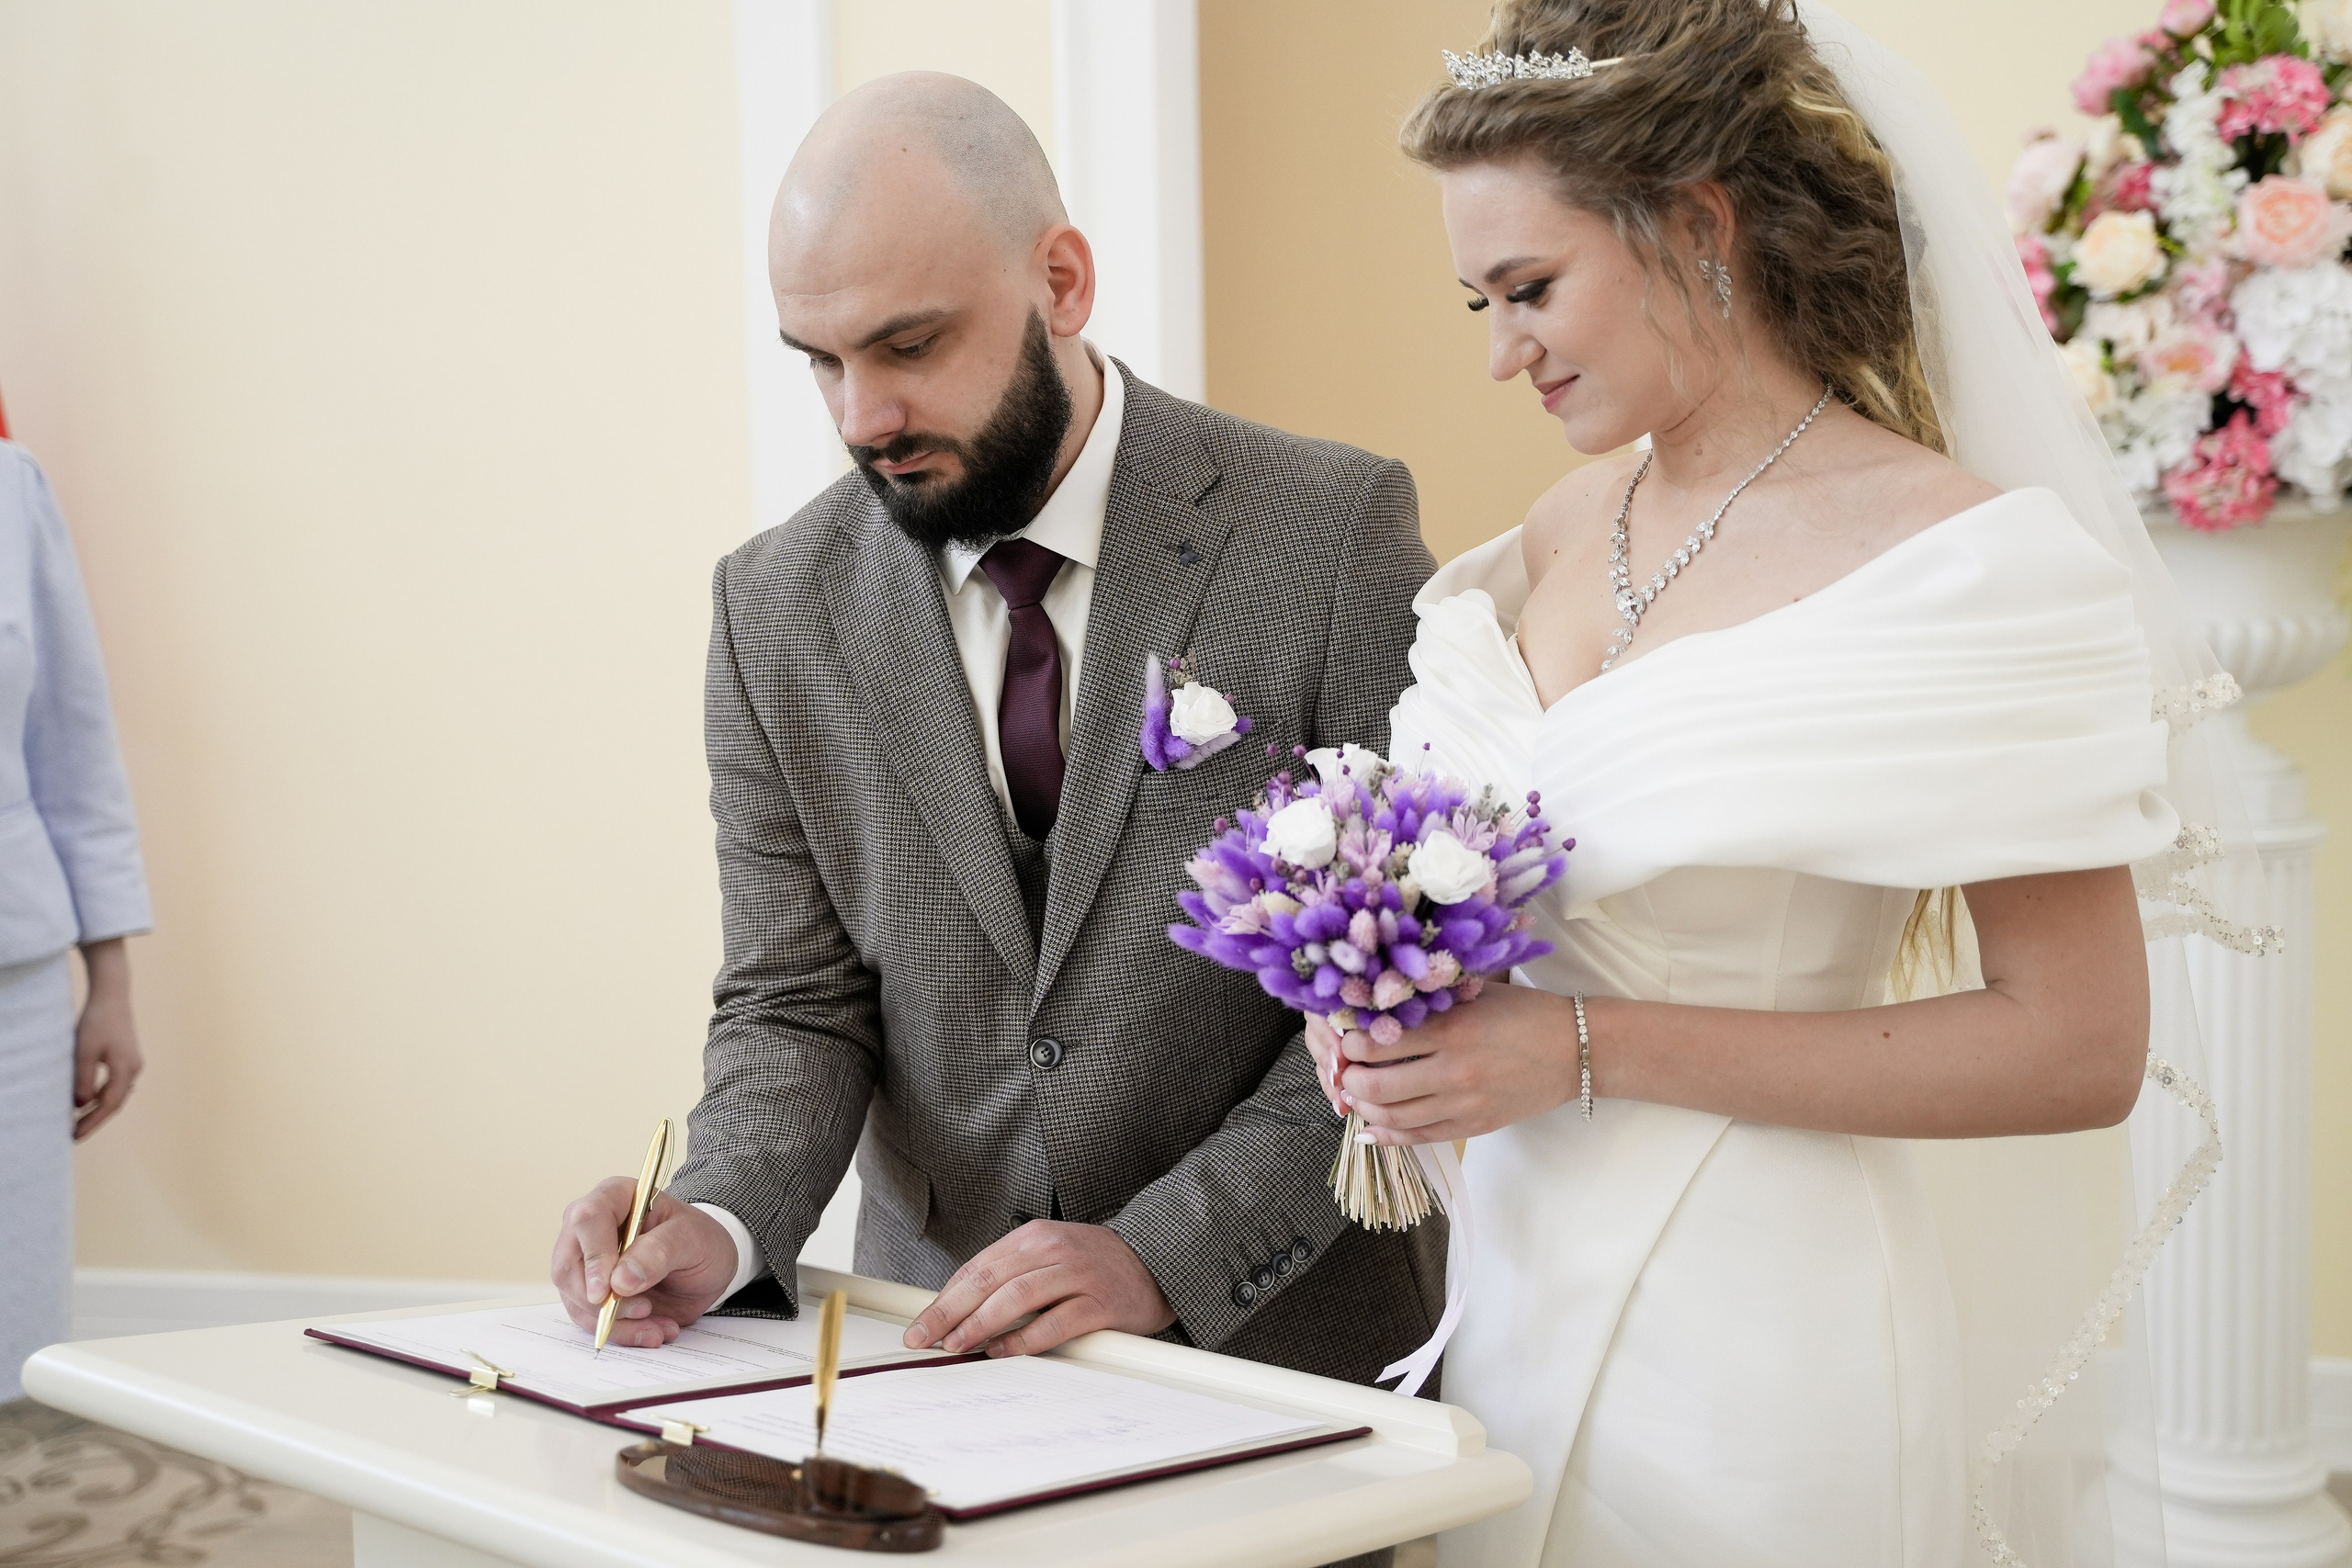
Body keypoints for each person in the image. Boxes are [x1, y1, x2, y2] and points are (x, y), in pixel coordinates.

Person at [1306, 2, 2262, 1563]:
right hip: (1502, 1300)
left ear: (1697, 227)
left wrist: (1581, 1047)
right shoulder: (1561, 528)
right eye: (1478, 298)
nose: (1497, 354)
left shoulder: (1967, 569)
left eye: (1531, 289)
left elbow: (2078, 1047)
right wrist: (1383, 1008)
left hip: (1763, 1335)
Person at [546, 69, 1442, 1528]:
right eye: (819, 361)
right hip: (937, 1369)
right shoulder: (771, 607)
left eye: (909, 344)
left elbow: (1400, 997)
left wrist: (1164, 1248)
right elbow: (794, 1000)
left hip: (1287, 1373)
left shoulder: (1333, 535)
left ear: (1063, 280)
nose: (864, 414)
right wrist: (713, 1216)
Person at [1, 439, 153, 1403]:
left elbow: (75, 757)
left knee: (15, 1331)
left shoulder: (12, 489)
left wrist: (112, 984)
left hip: (12, 993)